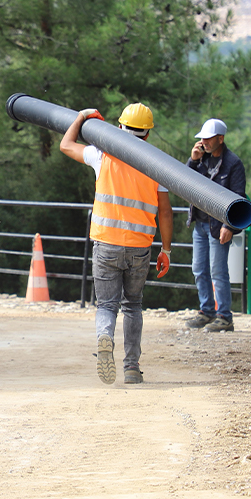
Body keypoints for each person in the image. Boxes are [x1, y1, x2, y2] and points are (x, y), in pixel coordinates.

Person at [59, 103, 173, 385]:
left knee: (107, 305)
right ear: (147, 134)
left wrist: (82, 117)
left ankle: (104, 337)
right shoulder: (157, 162)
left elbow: (66, 145)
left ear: (120, 127)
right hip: (139, 247)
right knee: (133, 305)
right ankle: (132, 368)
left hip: (106, 244)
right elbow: (166, 211)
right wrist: (166, 250)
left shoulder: (102, 155)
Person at [185, 118, 246, 332]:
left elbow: (238, 198)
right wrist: (192, 161)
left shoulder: (233, 163)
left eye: (208, 138)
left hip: (218, 226)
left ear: (221, 138)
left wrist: (229, 226)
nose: (204, 142)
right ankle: (207, 311)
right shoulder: (201, 159)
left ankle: (225, 317)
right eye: (202, 138)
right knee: (199, 269)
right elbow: (185, 182)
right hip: (200, 225)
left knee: (218, 271)